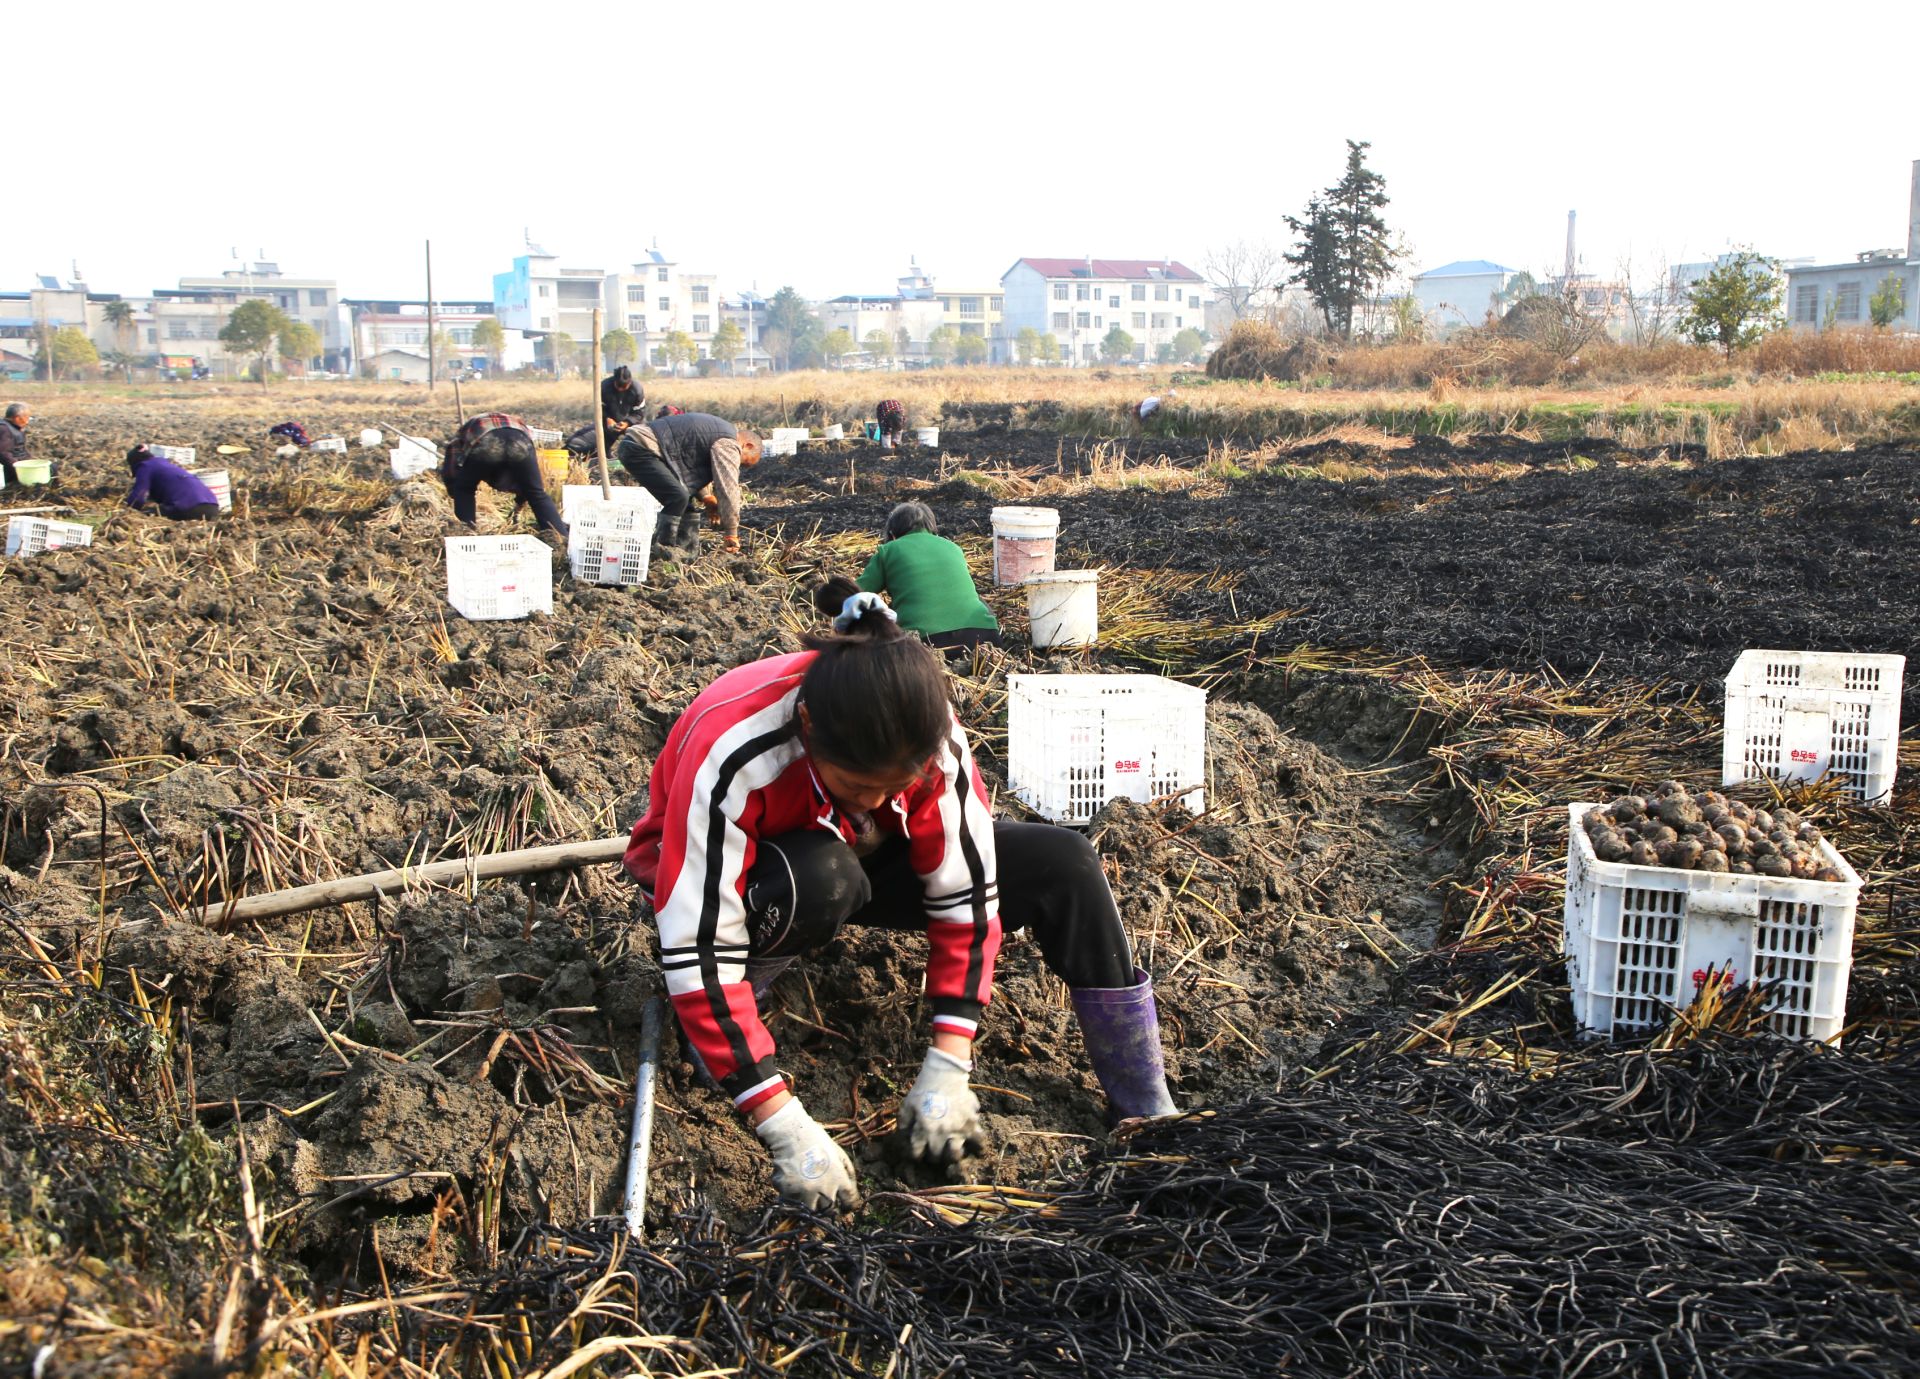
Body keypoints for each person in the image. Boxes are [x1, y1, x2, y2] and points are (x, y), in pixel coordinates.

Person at [622, 592, 1178, 1210]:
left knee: (1065, 863)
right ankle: (732, 1032)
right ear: (809, 733)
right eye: (857, 785)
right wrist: (777, 1117)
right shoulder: (735, 748)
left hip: (860, 859)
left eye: (896, 786)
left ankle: (1144, 1100)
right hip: (759, 878)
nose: (871, 800)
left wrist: (951, 1058)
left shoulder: (933, 737)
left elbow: (967, 897)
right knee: (826, 874)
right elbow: (698, 944)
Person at [839, 502, 1000, 660]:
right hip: (983, 640)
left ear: (893, 534)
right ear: (932, 529)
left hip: (924, 646)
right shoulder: (953, 547)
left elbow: (856, 594)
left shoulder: (888, 550)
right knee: (978, 600)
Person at [614, 411, 761, 558]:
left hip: (644, 447)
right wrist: (731, 532)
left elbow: (689, 464)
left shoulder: (718, 433)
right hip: (640, 447)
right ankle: (661, 554)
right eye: (743, 462)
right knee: (677, 497)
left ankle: (685, 556)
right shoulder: (729, 443)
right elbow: (727, 487)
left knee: (686, 505)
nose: (738, 464)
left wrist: (706, 497)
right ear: (747, 445)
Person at [443, 412, 568, 536]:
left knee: (465, 489)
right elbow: (526, 479)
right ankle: (559, 539)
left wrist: (456, 489)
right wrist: (523, 497)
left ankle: (467, 537)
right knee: (536, 493)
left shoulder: (465, 432)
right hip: (519, 441)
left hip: (486, 442)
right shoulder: (518, 425)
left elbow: (452, 467)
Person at [125, 444, 220, 520]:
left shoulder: (145, 466)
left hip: (190, 508)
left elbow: (139, 496)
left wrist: (128, 508)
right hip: (213, 508)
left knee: (149, 513)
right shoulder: (164, 464)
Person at [601, 365, 646, 448]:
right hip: (609, 423)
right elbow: (600, 408)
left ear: (629, 382)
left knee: (638, 444)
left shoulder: (637, 390)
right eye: (618, 386)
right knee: (603, 443)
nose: (620, 389)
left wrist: (627, 422)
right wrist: (607, 418)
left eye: (624, 387)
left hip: (632, 423)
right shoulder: (604, 387)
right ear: (614, 381)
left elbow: (639, 413)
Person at [1, 403, 31, 487]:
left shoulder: (13, 427)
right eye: (26, 417)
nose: (27, 421)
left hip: (18, 463)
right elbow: (4, 454)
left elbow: (20, 449)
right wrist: (19, 468)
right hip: (10, 468)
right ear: (18, 418)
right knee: (51, 469)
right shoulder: (5, 429)